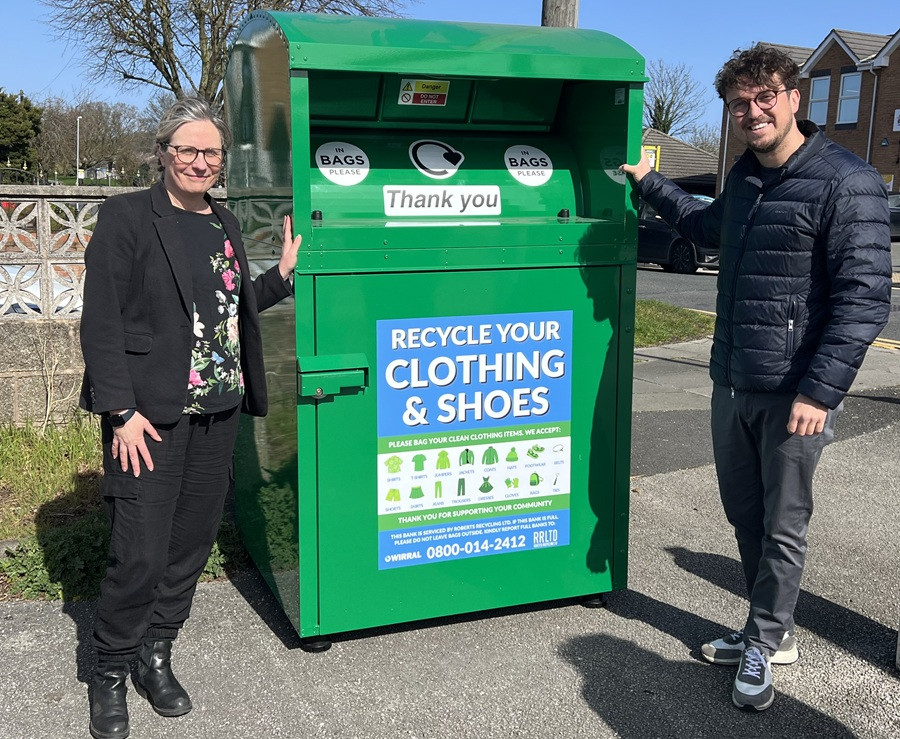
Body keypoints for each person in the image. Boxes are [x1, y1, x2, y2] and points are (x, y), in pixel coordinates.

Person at [621, 45, 891, 711]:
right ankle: (768, 627)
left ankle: (766, 640)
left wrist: (820, 391)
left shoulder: (844, 181)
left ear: (795, 96)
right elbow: (698, 222)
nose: (753, 110)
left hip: (795, 392)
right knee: (746, 515)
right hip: (733, 380)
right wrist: (648, 181)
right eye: (741, 102)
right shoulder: (745, 179)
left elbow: (864, 299)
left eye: (765, 95)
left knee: (782, 524)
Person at [79, 97, 302, 739]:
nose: (199, 162)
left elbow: (229, 309)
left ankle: (157, 653)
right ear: (164, 153)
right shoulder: (126, 217)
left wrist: (279, 277)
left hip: (218, 414)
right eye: (187, 150)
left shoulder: (224, 223)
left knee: (187, 548)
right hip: (147, 417)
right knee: (139, 552)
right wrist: (118, 410)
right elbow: (101, 324)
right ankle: (110, 669)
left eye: (210, 152)